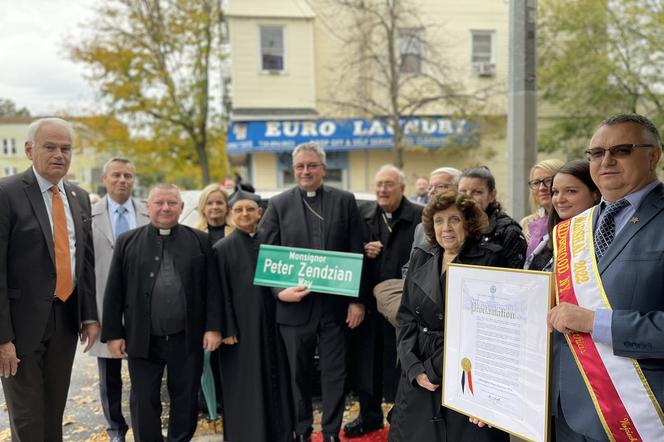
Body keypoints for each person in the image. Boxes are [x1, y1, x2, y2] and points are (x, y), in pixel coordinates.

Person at [547, 114, 664, 441]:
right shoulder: (571, 230)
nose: (606, 160)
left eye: (622, 150)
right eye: (596, 153)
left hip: (640, 415)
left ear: (654, 155)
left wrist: (595, 322)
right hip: (565, 413)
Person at [0, 117, 99, 440]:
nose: (60, 154)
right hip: (20, 327)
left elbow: (83, 261)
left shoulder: (78, 197)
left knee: (53, 412)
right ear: (29, 150)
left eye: (66, 148)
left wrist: (89, 316)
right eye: (50, 147)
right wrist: (3, 339)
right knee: (28, 421)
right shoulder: (7, 193)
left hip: (66, 319)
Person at [259, 141, 365, 442]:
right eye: (300, 166)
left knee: (335, 374)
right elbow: (266, 253)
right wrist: (279, 292)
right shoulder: (279, 205)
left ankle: (331, 432)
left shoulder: (345, 200)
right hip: (294, 307)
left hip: (335, 307)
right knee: (296, 376)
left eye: (311, 165)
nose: (305, 171)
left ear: (324, 169)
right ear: (293, 171)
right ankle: (301, 431)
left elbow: (355, 249)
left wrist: (357, 300)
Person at [101, 184, 222, 442]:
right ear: (149, 207)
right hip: (143, 339)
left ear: (180, 207)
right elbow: (114, 292)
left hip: (186, 337)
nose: (165, 208)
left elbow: (212, 288)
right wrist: (113, 334)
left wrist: (213, 327)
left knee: (185, 396)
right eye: (159, 203)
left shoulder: (200, 240)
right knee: (143, 398)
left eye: (171, 203)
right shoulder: (128, 241)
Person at [389, 192, 509, 442]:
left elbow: (484, 329)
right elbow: (406, 316)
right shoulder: (421, 255)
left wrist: (433, 370)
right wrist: (412, 367)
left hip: (465, 372)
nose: (446, 228)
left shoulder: (490, 259)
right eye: (439, 221)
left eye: (454, 219)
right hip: (418, 372)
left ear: (469, 223)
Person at [345, 165, 423, 437]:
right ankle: (369, 416)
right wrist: (363, 251)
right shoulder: (363, 216)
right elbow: (348, 253)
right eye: (379, 184)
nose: (382, 189)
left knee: (403, 362)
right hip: (367, 305)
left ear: (402, 188)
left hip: (405, 306)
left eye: (389, 184)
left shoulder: (418, 218)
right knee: (366, 364)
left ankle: (402, 417)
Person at [213, 189, 293, 442]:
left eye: (250, 209)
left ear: (260, 213)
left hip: (272, 325)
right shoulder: (222, 249)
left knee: (276, 384)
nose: (245, 214)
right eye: (238, 210)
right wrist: (226, 330)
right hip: (241, 333)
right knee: (244, 388)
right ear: (231, 214)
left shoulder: (271, 244)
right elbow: (219, 293)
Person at [88, 158, 149, 442]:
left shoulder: (148, 212)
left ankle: (144, 424)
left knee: (143, 373)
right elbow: (84, 267)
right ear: (105, 179)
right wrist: (87, 314)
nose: (122, 180)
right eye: (116, 175)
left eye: (128, 176)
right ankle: (116, 429)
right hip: (105, 304)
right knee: (109, 375)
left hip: (143, 306)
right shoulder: (89, 215)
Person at [524, 160, 600, 271]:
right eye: (555, 192)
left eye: (570, 191)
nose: (559, 200)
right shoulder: (551, 237)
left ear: (595, 194)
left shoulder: (603, 237)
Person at [458, 166, 527, 268]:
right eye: (463, 192)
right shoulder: (450, 226)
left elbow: (515, 279)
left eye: (477, 192)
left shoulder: (509, 232)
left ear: (492, 195)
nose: (468, 197)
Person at [520, 159, 564, 256]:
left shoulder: (573, 221)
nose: (541, 188)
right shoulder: (526, 223)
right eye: (536, 183)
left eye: (548, 181)